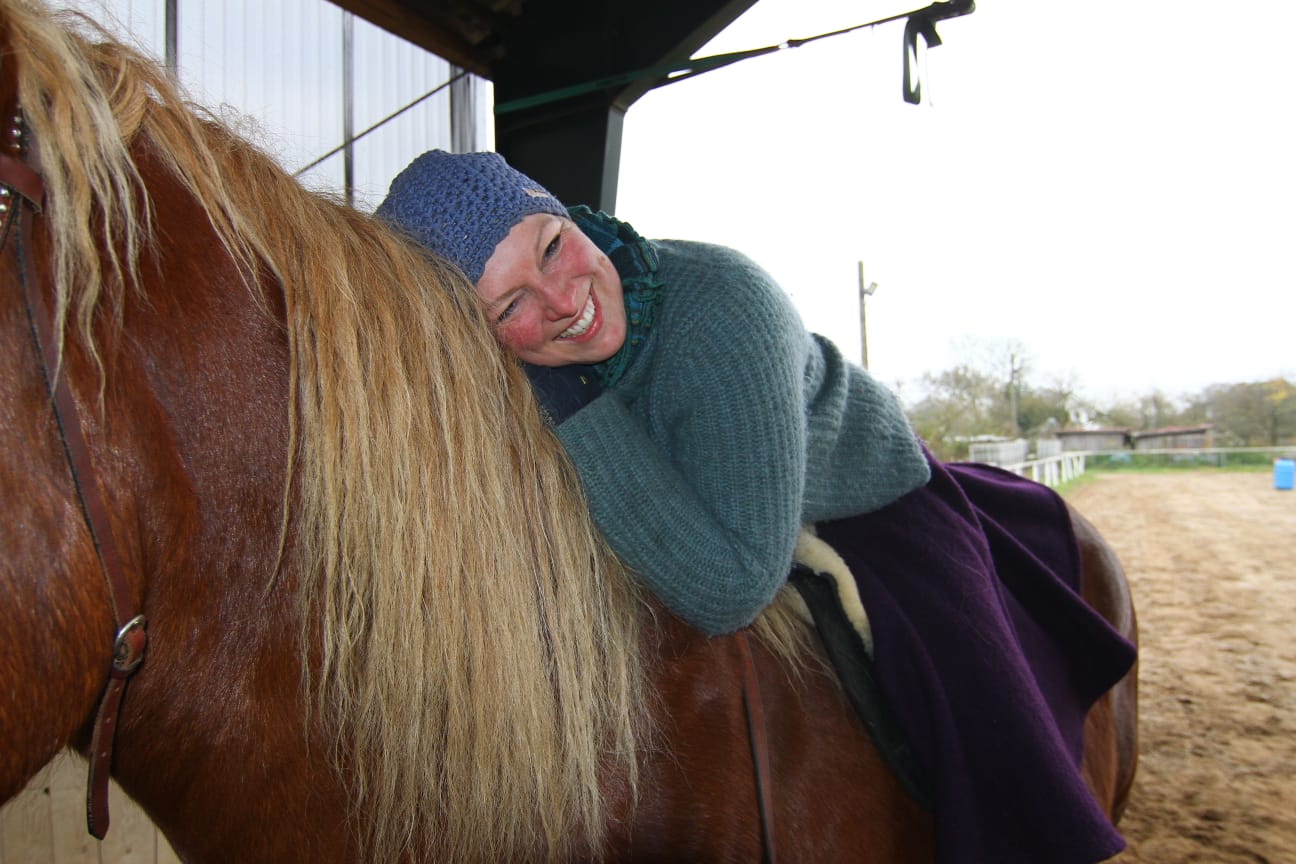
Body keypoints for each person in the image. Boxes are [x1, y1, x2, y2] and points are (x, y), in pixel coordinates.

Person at [377, 150, 1136, 864]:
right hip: (684, 493)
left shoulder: (724, 306)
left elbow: (735, 586)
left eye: (551, 247)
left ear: (566, 214)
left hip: (855, 498)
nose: (563, 298)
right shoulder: (500, 366)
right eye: (510, 303)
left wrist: (563, 403)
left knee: (976, 702)